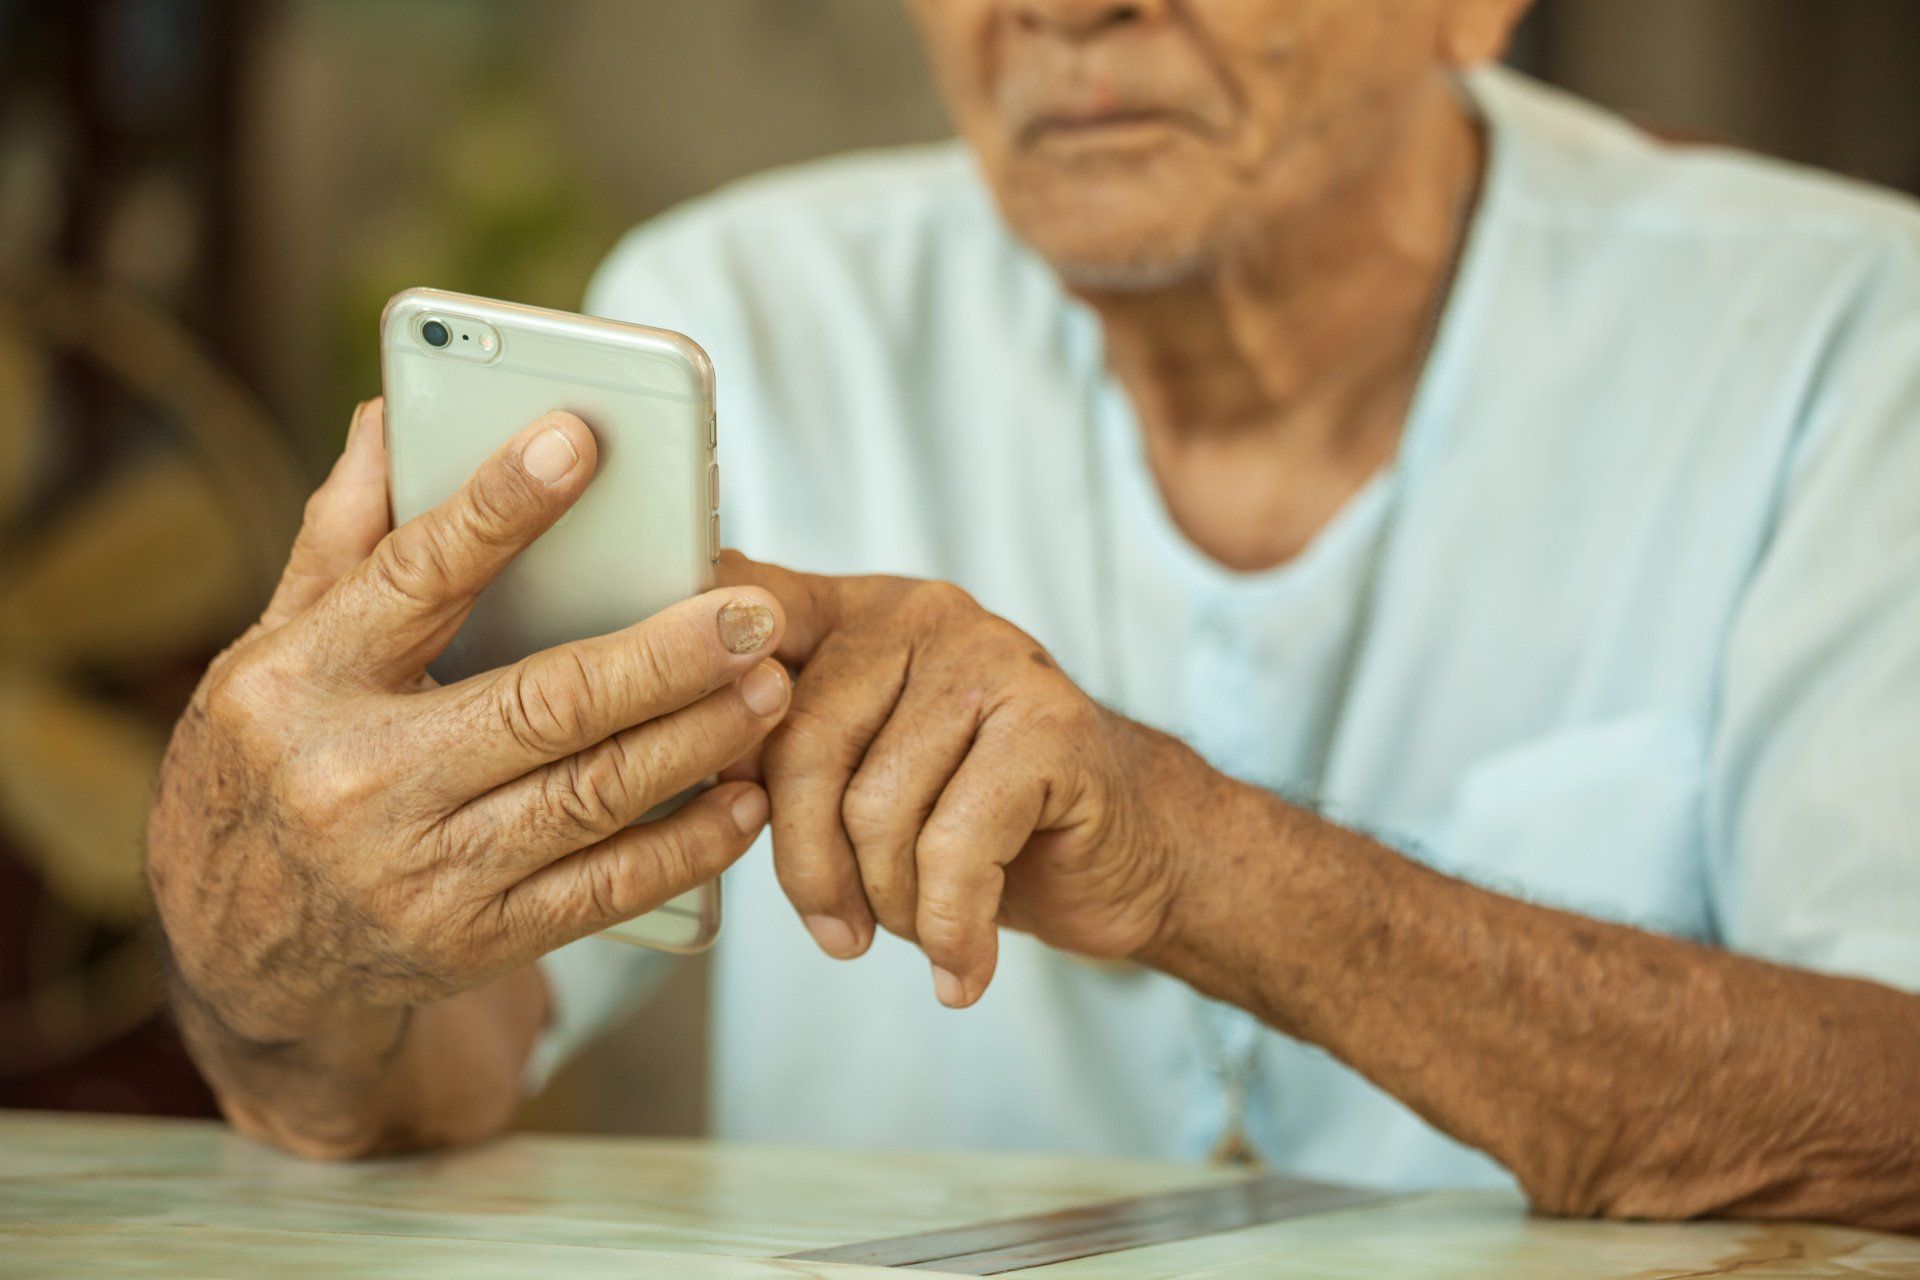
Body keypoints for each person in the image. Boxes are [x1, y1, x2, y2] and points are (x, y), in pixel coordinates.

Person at [146, 0, 1920, 1230]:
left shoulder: (1844, 334)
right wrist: (281, 936)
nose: (1065, 13)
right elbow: (451, 1050)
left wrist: (1198, 859)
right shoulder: (744, 311)